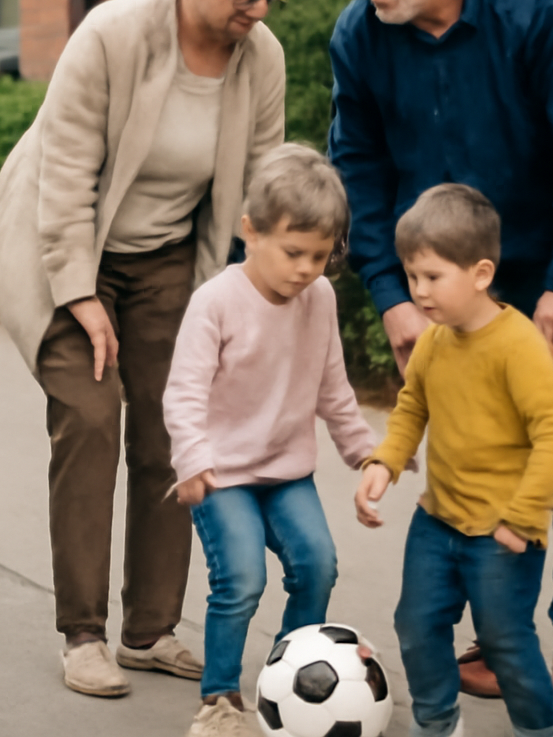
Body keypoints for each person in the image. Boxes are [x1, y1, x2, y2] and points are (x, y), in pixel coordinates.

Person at [327, 0, 553, 705]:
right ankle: (503, 634)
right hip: (451, 257)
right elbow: (357, 168)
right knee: (469, 427)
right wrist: (392, 292)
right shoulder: (362, 34)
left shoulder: (533, 1)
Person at [0, 0, 302, 697]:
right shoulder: (113, 35)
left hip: (169, 258)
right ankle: (82, 633)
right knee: (91, 418)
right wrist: (79, 292)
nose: (259, 9)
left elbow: (263, 181)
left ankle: (151, 629)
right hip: (65, 245)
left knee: (178, 426)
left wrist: (274, 277)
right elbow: (64, 178)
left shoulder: (259, 57)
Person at [164, 144, 377, 737]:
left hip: (286, 474)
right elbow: (182, 393)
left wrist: (365, 450)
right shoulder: (216, 303)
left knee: (318, 566)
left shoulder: (320, 299)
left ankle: (292, 684)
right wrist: (192, 461)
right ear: (250, 232)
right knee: (241, 579)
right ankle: (220, 699)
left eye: (320, 255)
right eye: (292, 252)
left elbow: (333, 387)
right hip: (220, 473)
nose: (306, 269)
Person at [355, 184, 553, 737]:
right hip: (438, 522)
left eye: (433, 277)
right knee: (416, 624)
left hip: (503, 529)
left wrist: (525, 516)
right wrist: (384, 462)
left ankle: (542, 729)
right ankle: (437, 723)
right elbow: (412, 408)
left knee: (504, 641)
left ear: (479, 273)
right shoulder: (434, 342)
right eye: (412, 276)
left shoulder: (518, 345)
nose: (419, 292)